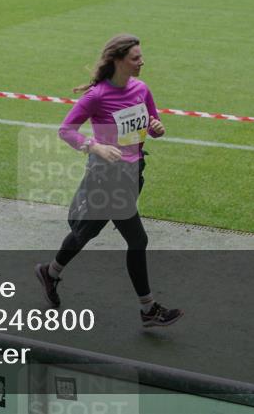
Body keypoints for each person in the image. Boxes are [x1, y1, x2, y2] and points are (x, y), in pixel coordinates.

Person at [36, 34, 182, 327]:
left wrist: (156, 128)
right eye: (136, 58)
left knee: (87, 231)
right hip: (107, 178)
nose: (142, 62)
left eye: (141, 56)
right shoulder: (97, 96)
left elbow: (151, 127)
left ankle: (49, 273)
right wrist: (95, 146)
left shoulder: (141, 89)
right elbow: (66, 131)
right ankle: (148, 309)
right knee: (137, 239)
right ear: (118, 60)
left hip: (133, 173)